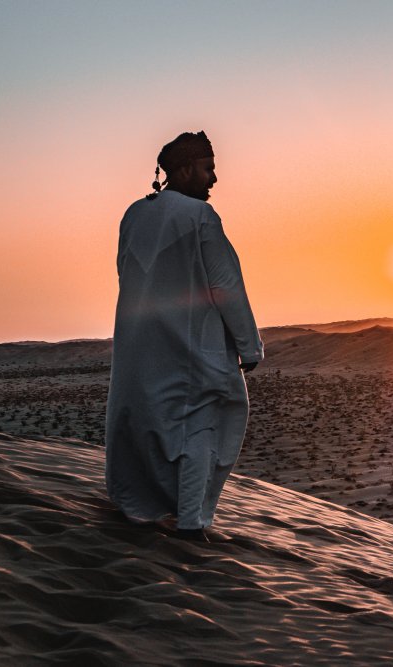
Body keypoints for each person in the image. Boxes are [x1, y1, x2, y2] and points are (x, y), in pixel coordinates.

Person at [105, 131, 263, 542]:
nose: (213, 179)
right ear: (185, 169)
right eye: (208, 169)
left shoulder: (134, 214)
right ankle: (191, 523)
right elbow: (226, 286)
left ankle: (141, 506)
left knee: (149, 425)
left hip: (140, 345)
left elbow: (125, 273)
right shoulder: (200, 217)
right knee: (203, 428)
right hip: (195, 347)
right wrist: (249, 346)